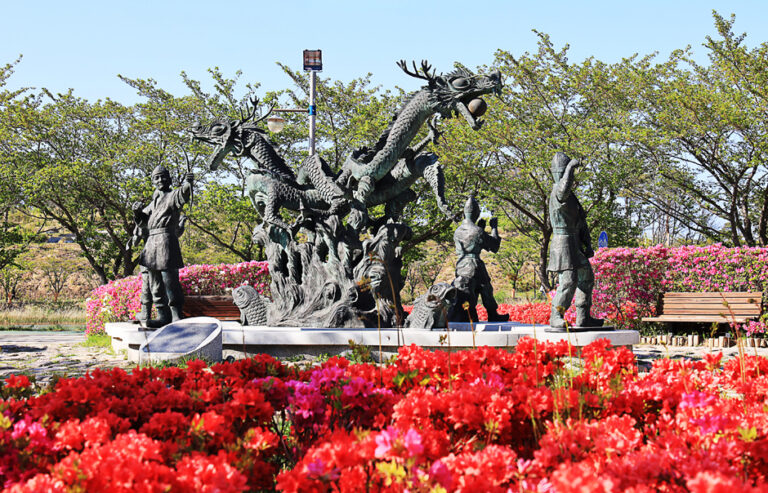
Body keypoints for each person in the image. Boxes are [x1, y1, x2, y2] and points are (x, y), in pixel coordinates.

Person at [132, 166, 193, 328]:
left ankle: (176, 315)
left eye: (163, 177)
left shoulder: (172, 196)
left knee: (170, 280)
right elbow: (144, 223)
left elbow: (184, 193)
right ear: (153, 181)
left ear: (169, 178)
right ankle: (162, 315)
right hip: (151, 243)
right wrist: (137, 213)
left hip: (166, 240)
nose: (160, 181)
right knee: (155, 283)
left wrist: (188, 182)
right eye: (156, 178)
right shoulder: (153, 202)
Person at [547, 152, 603, 329]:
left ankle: (583, 317)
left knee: (586, 278)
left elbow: (580, 222)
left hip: (574, 243)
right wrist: (571, 168)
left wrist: (587, 244)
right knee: (568, 281)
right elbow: (564, 188)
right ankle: (556, 315)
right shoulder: (558, 190)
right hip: (562, 243)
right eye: (564, 172)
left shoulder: (571, 196)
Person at [450, 195, 509, 323]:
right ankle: (492, 314)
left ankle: (472, 313)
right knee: (485, 288)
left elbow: (472, 241)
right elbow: (494, 246)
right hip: (474, 264)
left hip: (461, 265)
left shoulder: (458, 231)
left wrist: (481, 229)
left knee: (469, 288)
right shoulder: (477, 231)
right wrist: (493, 228)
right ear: (476, 213)